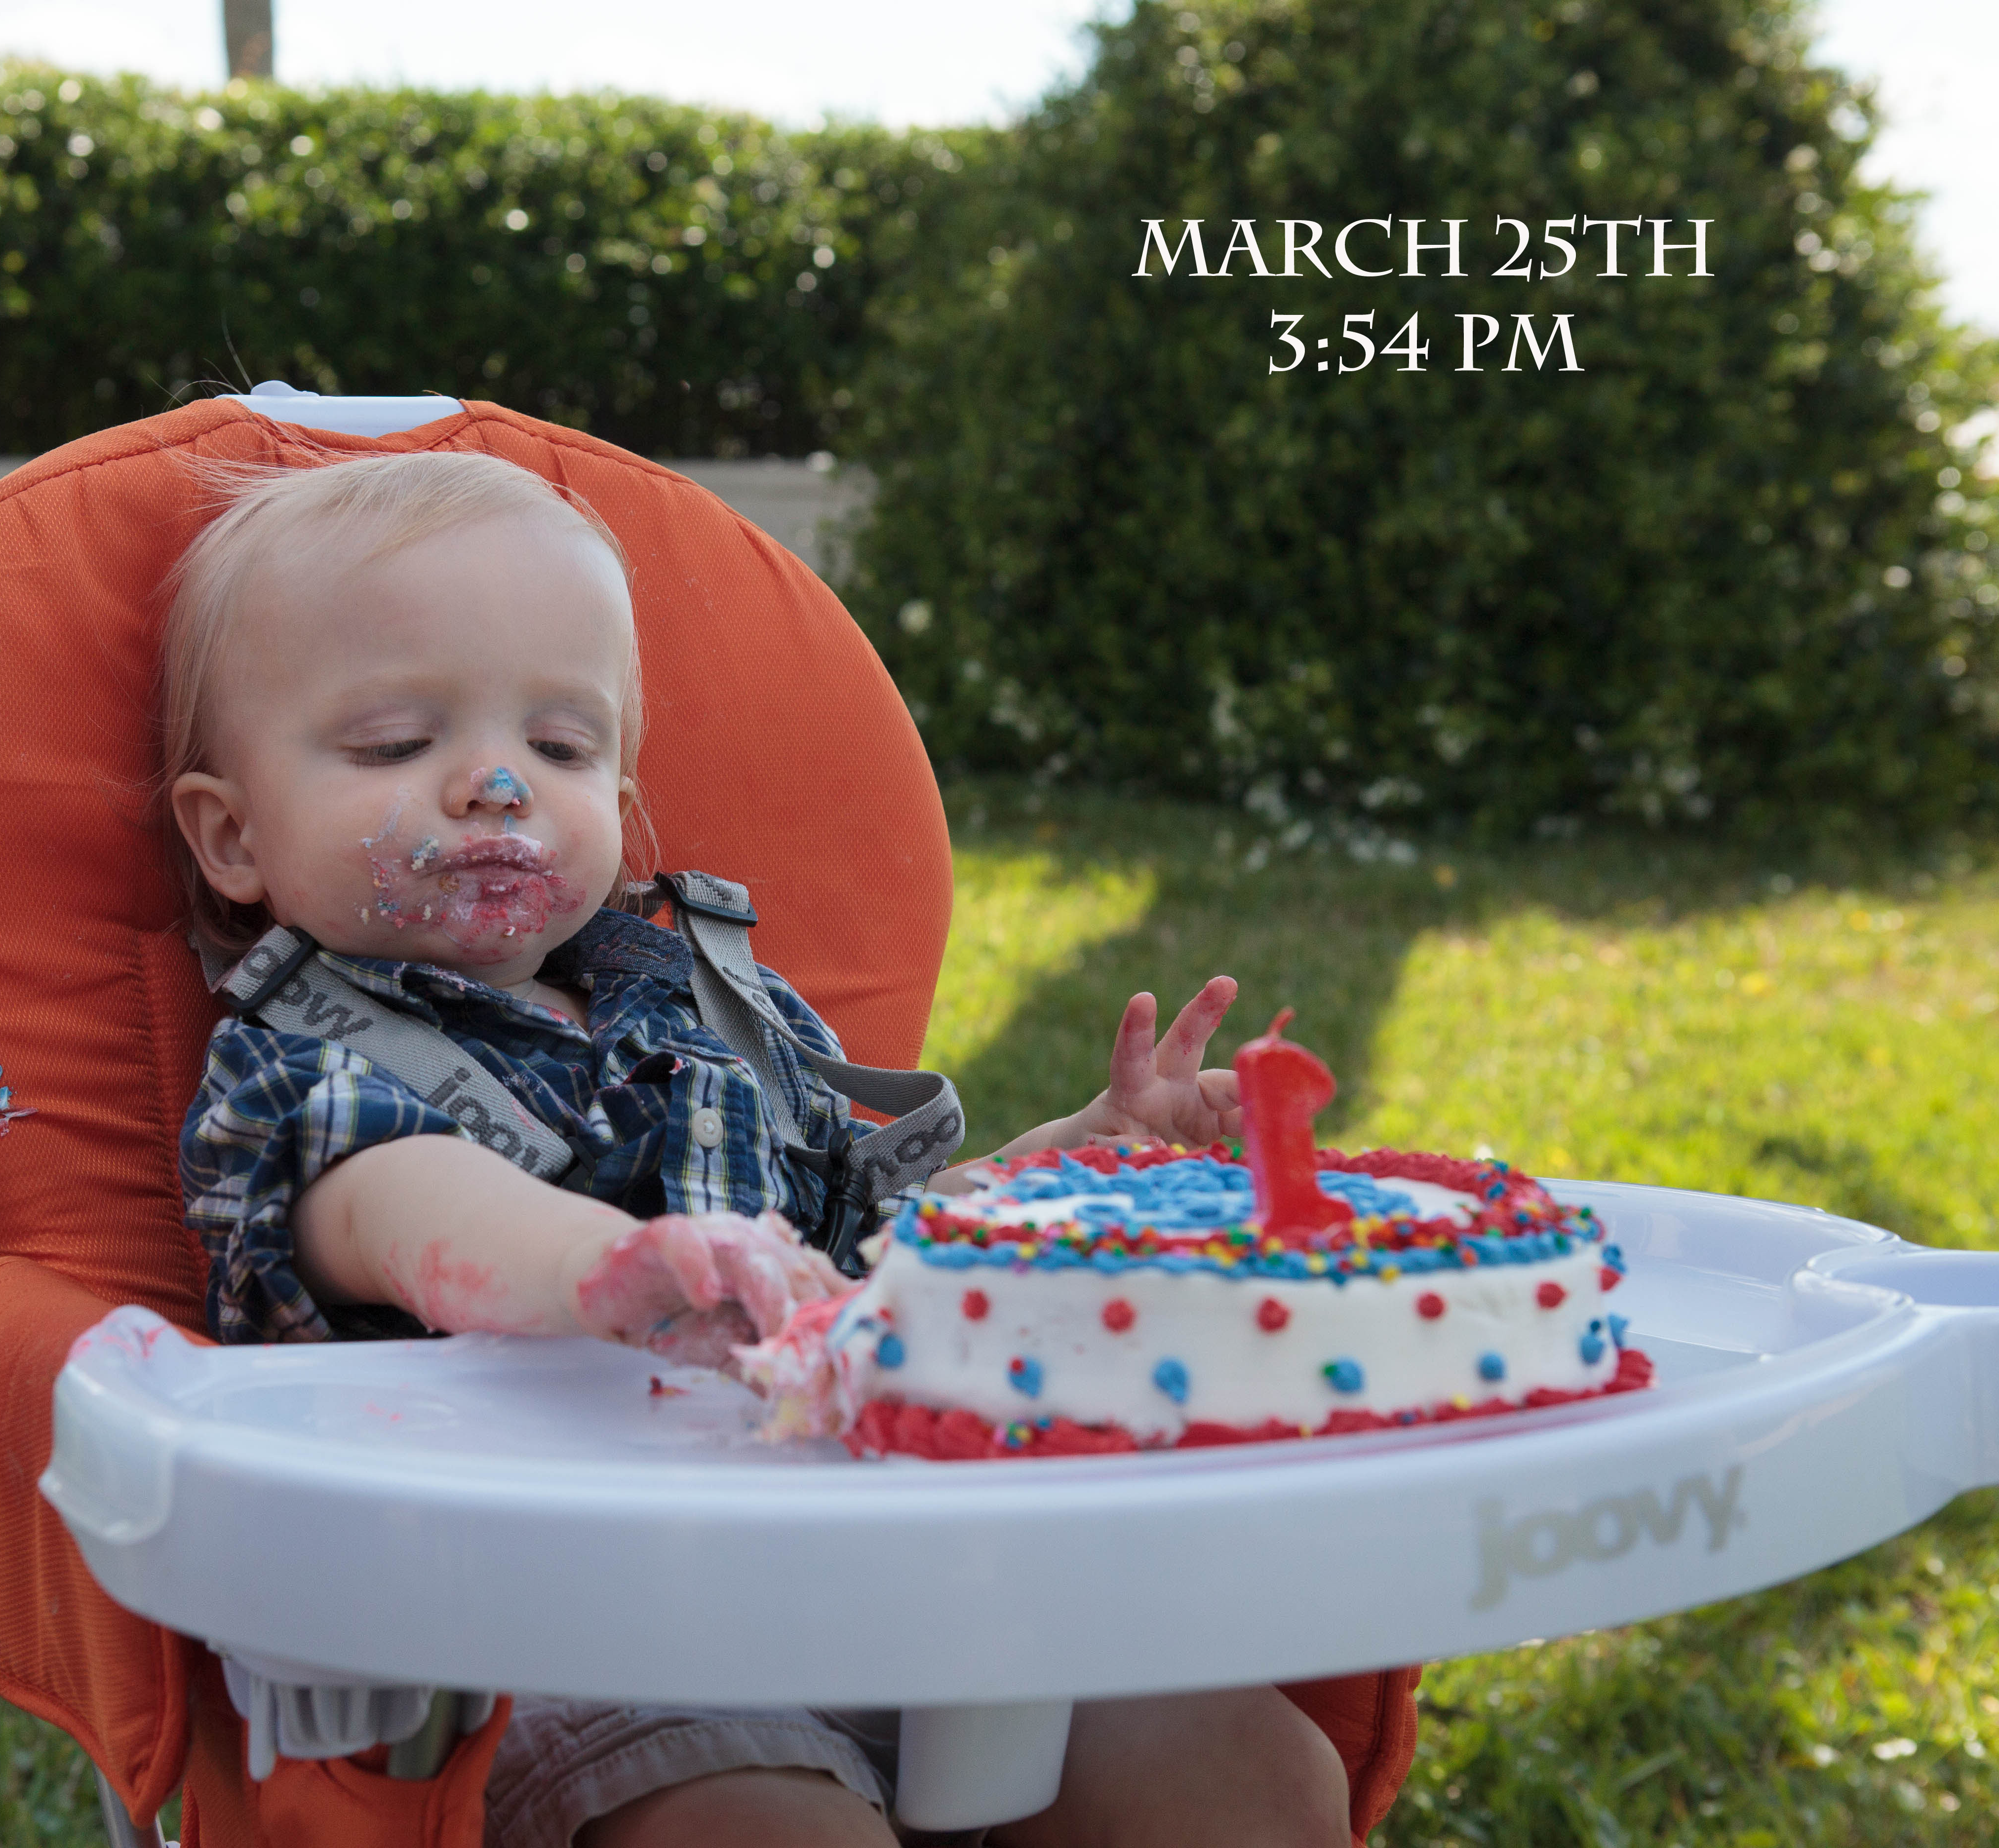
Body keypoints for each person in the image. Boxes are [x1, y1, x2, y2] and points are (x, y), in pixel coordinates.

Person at [161, 451, 1347, 1848]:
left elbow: (866, 1245)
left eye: (562, 749)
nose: (495, 784)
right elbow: (412, 1210)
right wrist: (611, 1266)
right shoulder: (301, 1065)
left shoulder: (718, 1006)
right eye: (393, 745)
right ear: (232, 838)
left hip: (880, 1566)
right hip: (565, 1630)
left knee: (1253, 1771)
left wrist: (1067, 1165)